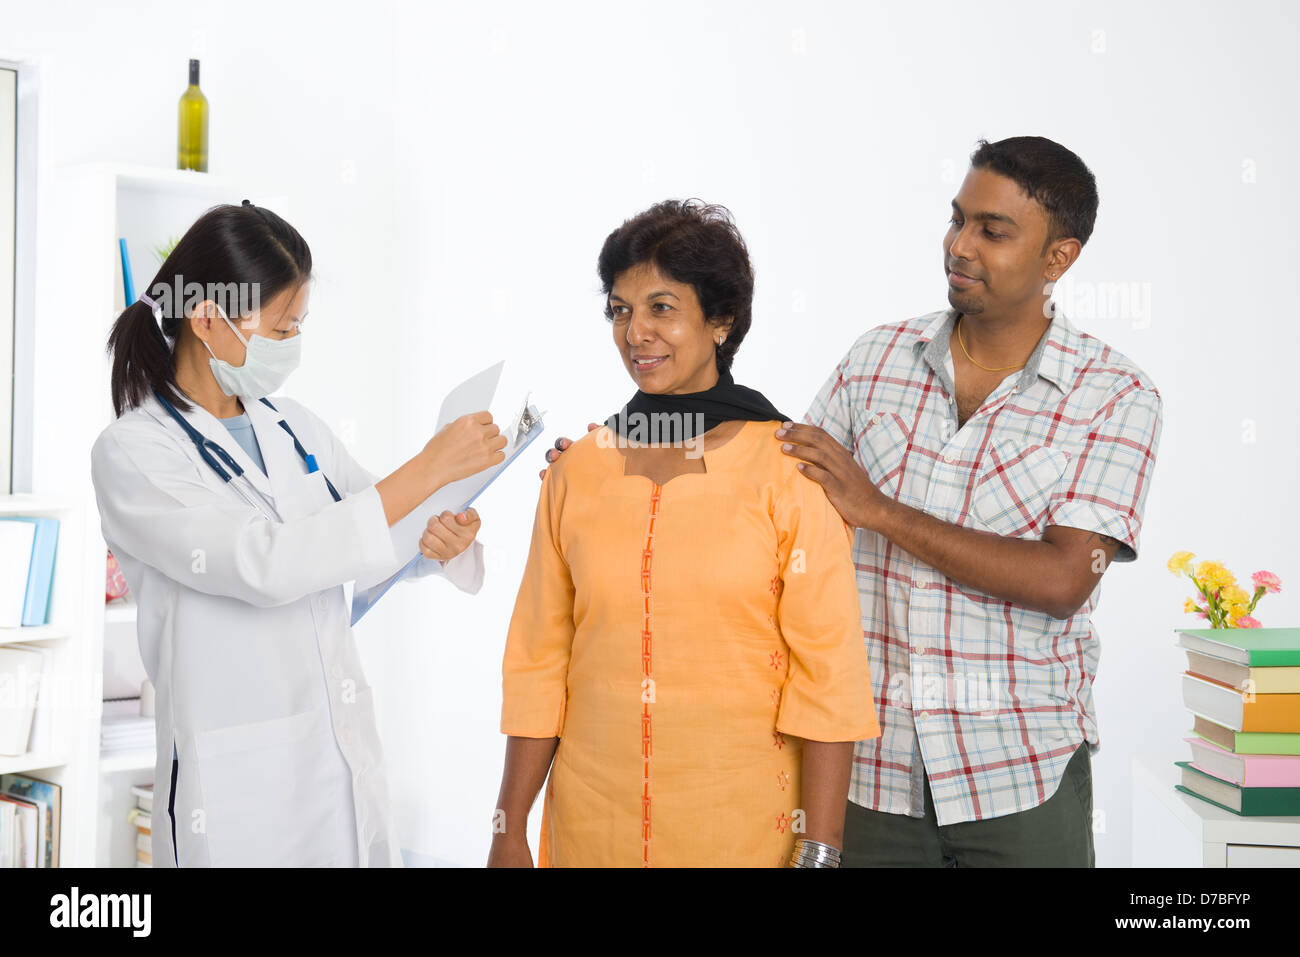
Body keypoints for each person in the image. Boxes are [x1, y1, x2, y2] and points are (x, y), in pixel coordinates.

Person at [549, 137, 1163, 867]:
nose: (959, 245)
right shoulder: (877, 360)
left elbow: (1065, 579)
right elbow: (769, 479)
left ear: (1058, 259)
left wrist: (880, 510)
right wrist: (617, 466)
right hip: (873, 779)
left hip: (1018, 775)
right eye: (957, 218)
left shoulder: (1115, 395)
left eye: (992, 231)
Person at [91, 202, 507, 867]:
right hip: (236, 784)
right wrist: (429, 466)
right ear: (205, 318)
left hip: (337, 752)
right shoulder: (136, 452)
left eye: (297, 326)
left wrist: (437, 536)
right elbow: (265, 564)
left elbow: (374, 525)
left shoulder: (294, 426)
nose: (291, 343)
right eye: (281, 328)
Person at [492, 200, 879, 868]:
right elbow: (538, 661)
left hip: (743, 832)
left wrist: (820, 853)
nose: (635, 332)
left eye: (662, 308)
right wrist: (508, 828)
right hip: (592, 829)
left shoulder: (789, 471)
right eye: (619, 309)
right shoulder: (578, 471)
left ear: (721, 321)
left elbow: (829, 679)